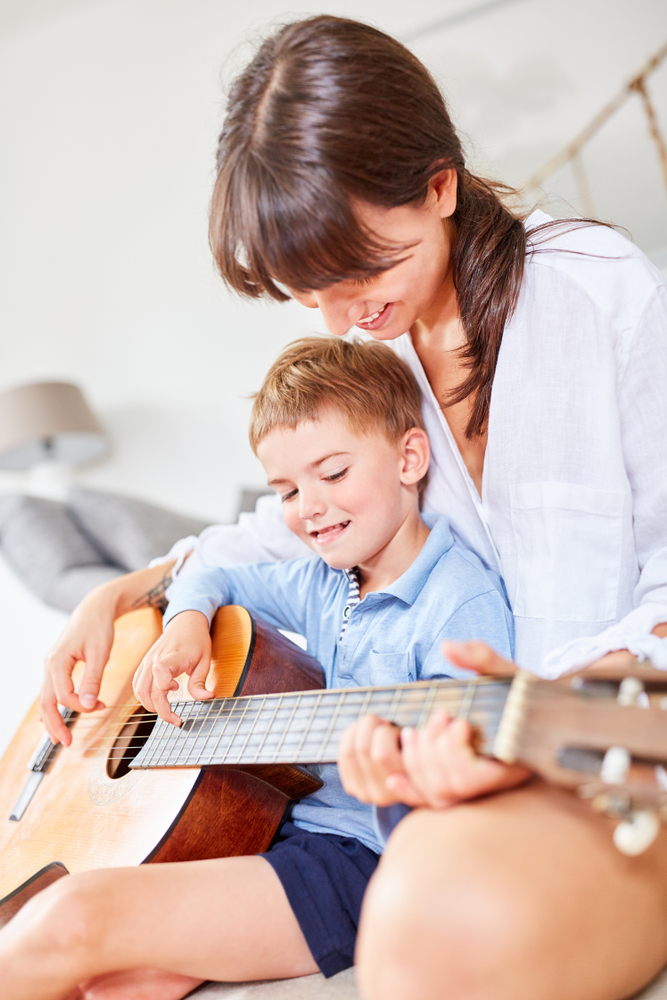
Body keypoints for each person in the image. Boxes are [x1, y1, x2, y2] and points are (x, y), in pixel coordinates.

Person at [36, 13, 667, 1000]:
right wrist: (127, 591)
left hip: (613, 760)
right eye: (309, 293)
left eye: (362, 269)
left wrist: (568, 692)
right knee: (80, 936)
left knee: (418, 932)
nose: (343, 317)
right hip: (469, 769)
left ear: (439, 185)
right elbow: (284, 527)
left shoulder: (592, 290)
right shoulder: (385, 361)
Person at [0, 336, 516, 999]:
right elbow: (212, 574)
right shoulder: (328, 580)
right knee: (111, 982)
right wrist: (186, 622)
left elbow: (465, 772)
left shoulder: (458, 600)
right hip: (282, 827)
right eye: (288, 490)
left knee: (72, 914)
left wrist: (402, 773)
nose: (310, 507)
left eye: (333, 474)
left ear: (409, 458)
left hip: (361, 864)